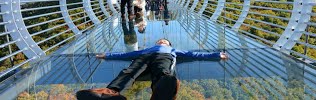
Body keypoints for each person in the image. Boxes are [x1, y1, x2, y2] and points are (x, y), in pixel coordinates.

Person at [76, 39, 228, 100]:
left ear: (168, 44)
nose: (162, 41)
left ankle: (161, 93)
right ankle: (110, 95)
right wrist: (107, 55)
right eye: (160, 41)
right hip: (145, 57)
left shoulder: (172, 50)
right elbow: (127, 54)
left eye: (164, 41)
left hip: (163, 57)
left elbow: (193, 54)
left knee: (163, 73)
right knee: (129, 71)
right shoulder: (147, 49)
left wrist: (215, 55)